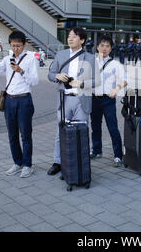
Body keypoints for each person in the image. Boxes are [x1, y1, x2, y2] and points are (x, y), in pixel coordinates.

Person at [47, 27, 100, 176]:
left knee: (81, 133)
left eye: (74, 37)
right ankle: (57, 161)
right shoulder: (61, 54)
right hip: (64, 99)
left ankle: (79, 162)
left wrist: (81, 84)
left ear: (82, 40)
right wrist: (57, 76)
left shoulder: (90, 57)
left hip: (81, 100)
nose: (70, 39)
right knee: (60, 132)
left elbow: (97, 80)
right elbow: (50, 74)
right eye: (69, 36)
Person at [0, 31, 39, 178]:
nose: (16, 49)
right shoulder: (7, 59)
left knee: (25, 134)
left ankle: (27, 165)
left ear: (24, 45)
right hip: (9, 100)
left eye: (18, 46)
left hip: (24, 100)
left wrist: (21, 71)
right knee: (12, 134)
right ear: (9, 45)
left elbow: (35, 81)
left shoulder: (31, 59)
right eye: (13, 46)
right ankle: (17, 162)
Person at [90, 35, 128, 166]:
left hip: (108, 100)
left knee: (112, 127)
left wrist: (116, 89)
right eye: (102, 45)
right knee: (95, 126)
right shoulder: (92, 62)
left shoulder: (115, 64)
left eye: (107, 46)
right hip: (94, 99)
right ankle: (96, 150)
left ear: (111, 48)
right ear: (97, 47)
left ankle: (118, 155)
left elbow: (125, 80)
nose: (104, 48)